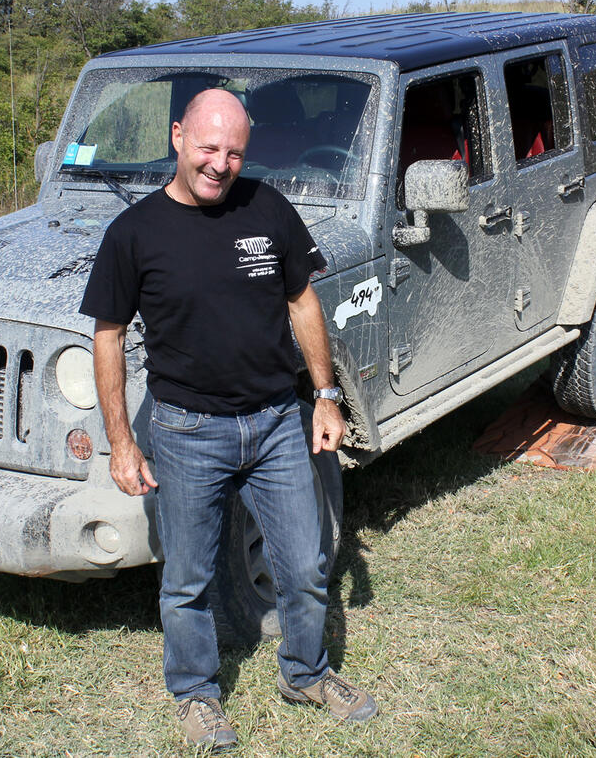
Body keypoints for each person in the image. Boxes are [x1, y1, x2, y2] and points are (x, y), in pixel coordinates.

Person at [79, 88, 377, 751]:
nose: (221, 163)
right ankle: (195, 693)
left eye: (235, 151)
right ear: (179, 137)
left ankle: (304, 673)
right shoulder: (134, 234)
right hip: (187, 431)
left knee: (304, 562)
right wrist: (121, 442)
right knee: (187, 578)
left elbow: (303, 301)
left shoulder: (266, 206)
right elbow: (107, 335)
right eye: (209, 147)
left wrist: (325, 396)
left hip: (275, 423)